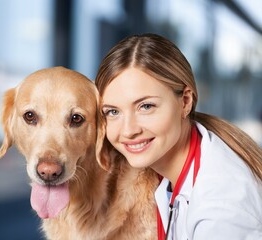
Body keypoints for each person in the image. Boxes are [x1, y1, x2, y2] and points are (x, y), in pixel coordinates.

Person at [95, 33, 262, 239]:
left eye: (146, 106)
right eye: (112, 112)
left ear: (185, 101)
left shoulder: (220, 210)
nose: (128, 130)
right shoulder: (168, 169)